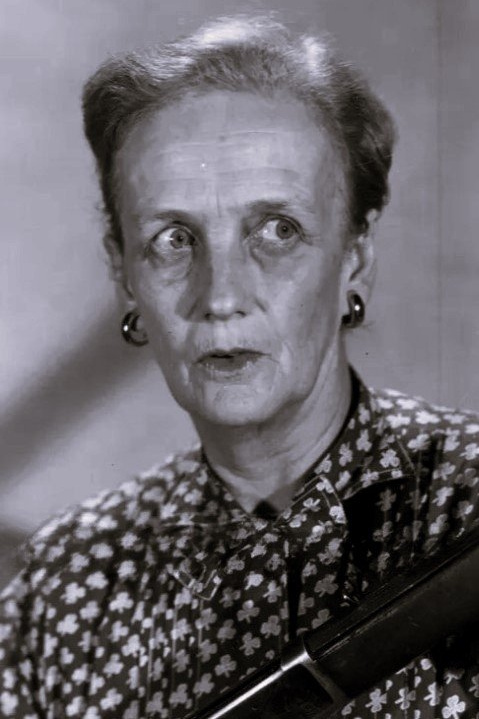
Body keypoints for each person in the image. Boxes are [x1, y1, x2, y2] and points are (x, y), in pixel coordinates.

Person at [1, 14, 478, 719]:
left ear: (353, 258)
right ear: (124, 274)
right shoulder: (64, 585)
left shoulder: (464, 505)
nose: (220, 297)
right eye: (172, 239)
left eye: (277, 231)